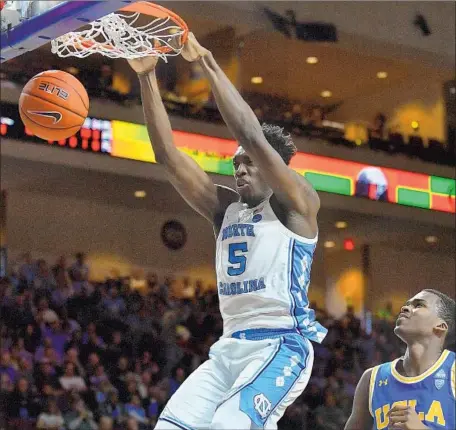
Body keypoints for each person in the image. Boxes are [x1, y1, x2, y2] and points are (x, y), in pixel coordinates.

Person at [128, 32, 326, 429]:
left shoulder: (297, 204)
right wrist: (147, 77)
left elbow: (251, 136)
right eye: (235, 163)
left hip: (281, 344)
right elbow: (167, 155)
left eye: (249, 162)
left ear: (275, 168)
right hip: (230, 347)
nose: (239, 168)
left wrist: (206, 63)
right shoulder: (225, 209)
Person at [345, 289, 455, 430]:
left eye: (419, 305)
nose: (404, 307)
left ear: (440, 326)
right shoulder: (372, 379)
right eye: (407, 304)